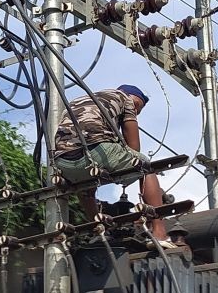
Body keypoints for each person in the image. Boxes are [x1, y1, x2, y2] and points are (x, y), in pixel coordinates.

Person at [52, 84, 172, 242]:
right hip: (95, 151)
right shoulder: (126, 100)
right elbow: (134, 149)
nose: (136, 113)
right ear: (135, 102)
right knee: (145, 165)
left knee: (85, 187)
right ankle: (159, 232)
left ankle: (99, 231)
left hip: (63, 161)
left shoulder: (82, 99)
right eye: (138, 109)